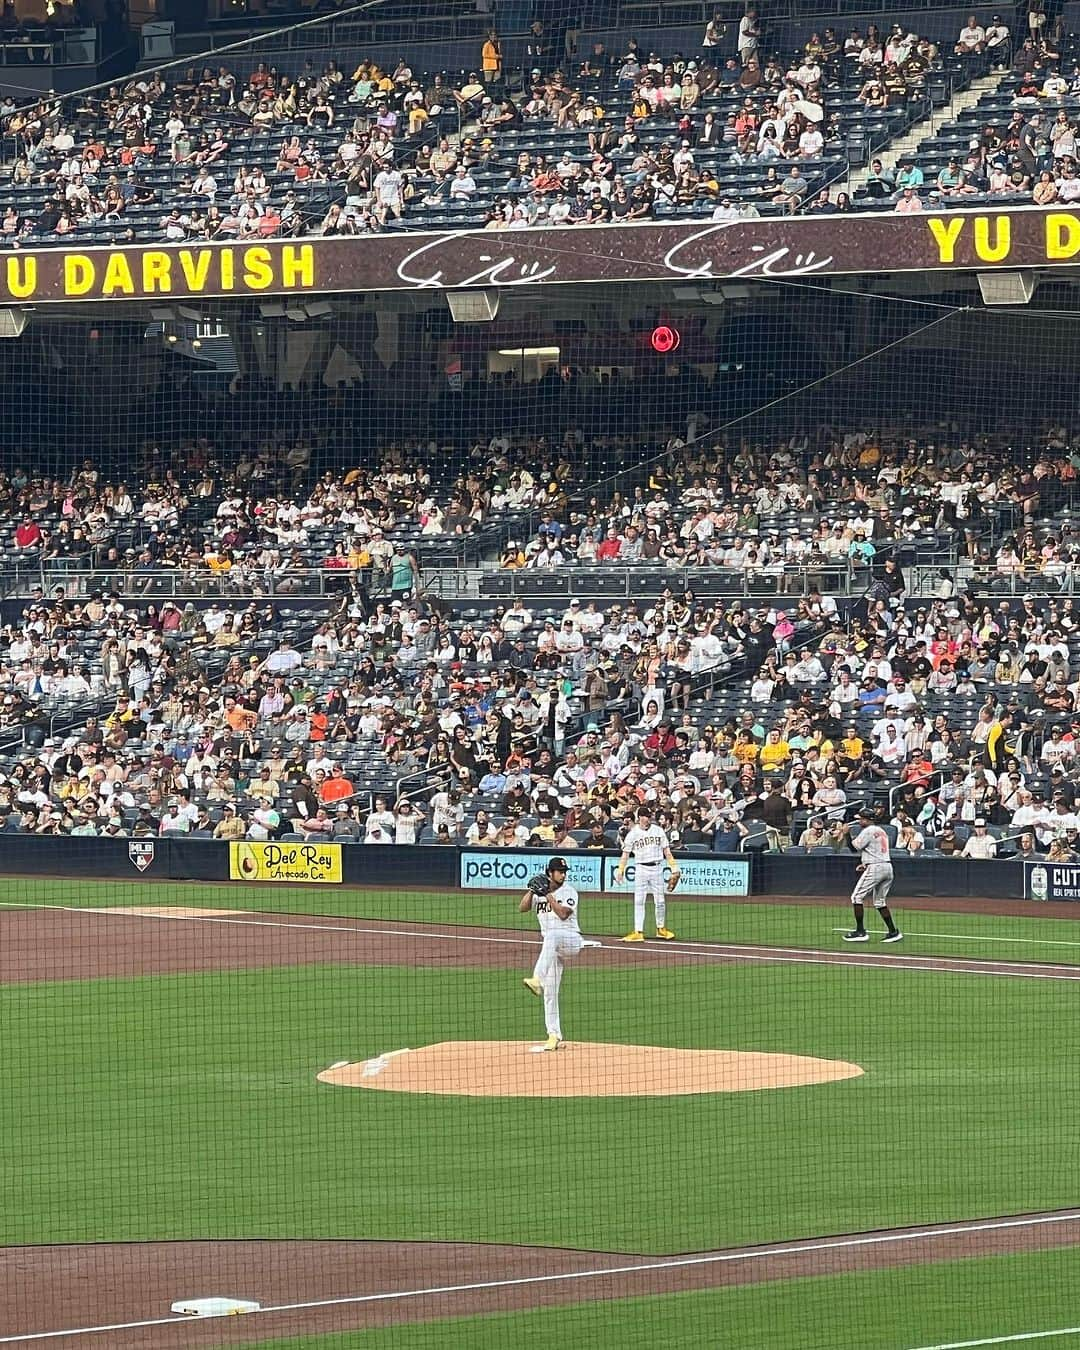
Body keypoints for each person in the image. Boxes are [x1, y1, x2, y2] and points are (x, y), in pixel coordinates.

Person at [520, 857, 583, 1051]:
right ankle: (553, 1035)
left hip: (571, 941)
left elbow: (563, 914)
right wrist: (531, 891)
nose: (563, 874)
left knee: (553, 934)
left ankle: (536, 978)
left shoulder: (569, 891)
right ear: (550, 872)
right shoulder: (540, 893)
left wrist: (548, 895)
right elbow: (522, 908)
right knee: (550, 992)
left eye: (564, 871)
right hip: (552, 949)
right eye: (559, 871)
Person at [614, 803, 681, 942]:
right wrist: (621, 869)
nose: (647, 818)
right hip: (641, 868)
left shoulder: (658, 831)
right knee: (639, 900)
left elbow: (667, 852)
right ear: (639, 818)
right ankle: (638, 931)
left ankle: (661, 929)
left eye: (649, 816)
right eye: (644, 816)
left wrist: (674, 867)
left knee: (660, 900)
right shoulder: (633, 834)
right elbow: (625, 854)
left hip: (657, 867)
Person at [839, 807, 902, 942]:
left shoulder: (868, 831)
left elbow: (853, 848)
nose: (859, 821)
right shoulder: (881, 830)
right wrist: (866, 863)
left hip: (876, 867)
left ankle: (861, 932)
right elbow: (875, 850)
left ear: (867, 820)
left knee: (856, 897)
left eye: (861, 819)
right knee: (879, 902)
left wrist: (846, 834)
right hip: (887, 866)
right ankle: (893, 932)